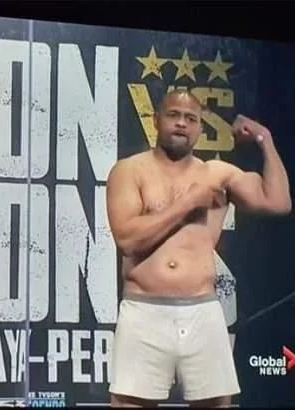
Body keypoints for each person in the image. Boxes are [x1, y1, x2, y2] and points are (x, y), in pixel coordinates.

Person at [106, 89, 291, 407]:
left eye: (191, 119)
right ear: (156, 120)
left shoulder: (218, 174)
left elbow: (278, 202)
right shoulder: (129, 170)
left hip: (203, 312)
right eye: (174, 115)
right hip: (144, 311)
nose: (182, 123)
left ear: (200, 129)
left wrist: (265, 138)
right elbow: (128, 240)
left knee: (217, 404)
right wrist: (188, 202)